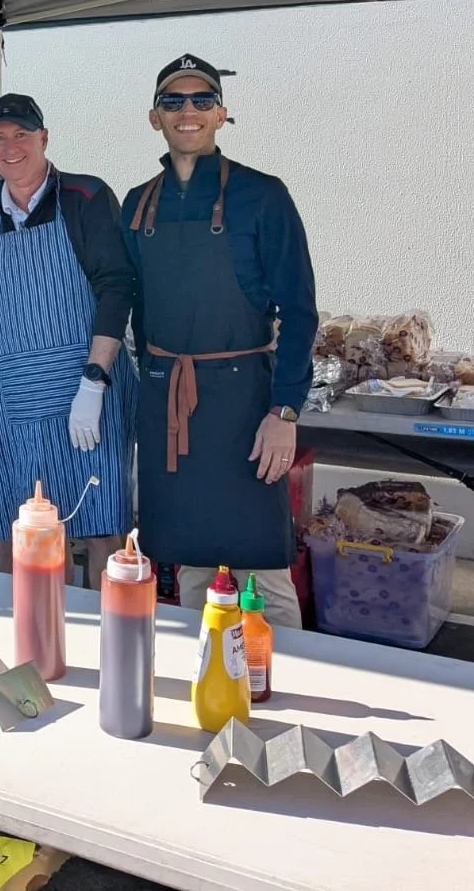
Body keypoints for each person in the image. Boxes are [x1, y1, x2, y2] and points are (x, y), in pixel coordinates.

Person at [122, 53, 318, 628]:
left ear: (222, 115)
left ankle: (290, 689)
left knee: (264, 568)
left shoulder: (264, 196)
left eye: (202, 101)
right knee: (189, 561)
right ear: (154, 117)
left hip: (245, 406)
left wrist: (285, 410)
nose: (189, 112)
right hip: (166, 405)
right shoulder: (138, 203)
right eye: (174, 102)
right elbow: (129, 303)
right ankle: (207, 679)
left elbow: (301, 312)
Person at [0, 94, 138, 583]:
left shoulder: (86, 198)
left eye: (22, 135)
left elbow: (116, 288)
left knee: (102, 527)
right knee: (9, 528)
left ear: (44, 138)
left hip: (86, 392)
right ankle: (24, 638)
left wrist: (95, 382)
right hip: (14, 396)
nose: (11, 147)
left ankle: (103, 639)